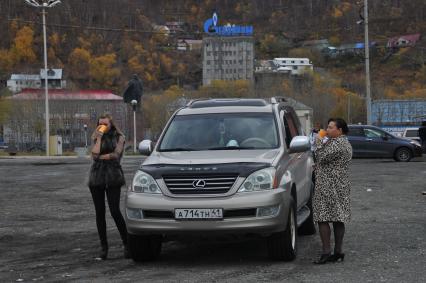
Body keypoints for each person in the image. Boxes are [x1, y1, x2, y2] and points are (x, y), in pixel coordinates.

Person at [88, 113, 129, 260]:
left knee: (114, 211)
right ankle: (104, 248)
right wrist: (98, 137)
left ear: (111, 124)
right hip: (97, 176)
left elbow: (116, 155)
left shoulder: (120, 137)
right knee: (99, 213)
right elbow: (94, 154)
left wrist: (101, 157)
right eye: (100, 124)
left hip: (113, 175)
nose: (103, 126)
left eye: (105, 124)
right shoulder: (96, 136)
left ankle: (127, 244)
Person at [313, 118, 352, 264]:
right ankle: (338, 251)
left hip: (329, 185)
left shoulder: (338, 143)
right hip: (339, 185)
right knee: (338, 217)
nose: (327, 130)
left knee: (323, 218)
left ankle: (326, 252)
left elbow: (320, 155)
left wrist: (318, 139)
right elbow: (329, 161)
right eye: (327, 127)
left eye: (330, 127)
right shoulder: (342, 142)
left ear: (339, 130)